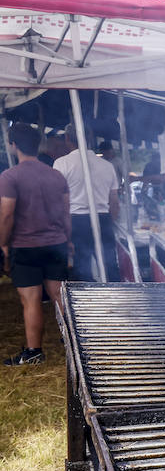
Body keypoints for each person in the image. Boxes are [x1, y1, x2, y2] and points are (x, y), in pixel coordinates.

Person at [0, 123, 70, 365]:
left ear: (13, 145)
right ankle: (74, 344)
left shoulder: (10, 177)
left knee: (30, 299)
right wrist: (68, 241)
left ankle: (33, 353)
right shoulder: (56, 175)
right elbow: (65, 213)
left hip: (25, 245)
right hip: (55, 243)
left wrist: (3, 244)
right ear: (38, 144)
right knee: (60, 297)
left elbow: (6, 215)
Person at [54, 124, 120, 282]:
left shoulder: (61, 164)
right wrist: (109, 222)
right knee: (109, 267)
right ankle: (119, 301)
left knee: (81, 270)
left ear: (67, 138)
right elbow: (115, 202)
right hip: (103, 219)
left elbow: (58, 201)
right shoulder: (107, 165)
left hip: (76, 222)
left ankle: (87, 303)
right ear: (90, 139)